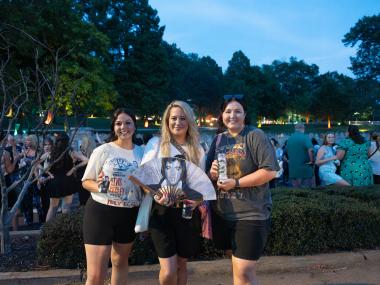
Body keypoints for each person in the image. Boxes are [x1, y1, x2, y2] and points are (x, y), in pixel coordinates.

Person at [206, 95, 278, 285]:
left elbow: (270, 171)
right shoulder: (219, 140)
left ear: (245, 114)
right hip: (223, 214)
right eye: (228, 111)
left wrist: (236, 183)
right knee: (238, 270)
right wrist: (212, 174)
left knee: (244, 273)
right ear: (221, 115)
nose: (232, 115)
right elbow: (208, 176)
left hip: (251, 214)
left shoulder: (255, 136)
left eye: (237, 111)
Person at [142, 100, 205, 285]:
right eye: (173, 118)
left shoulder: (197, 149)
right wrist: (155, 194)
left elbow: (201, 185)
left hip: (186, 213)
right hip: (161, 211)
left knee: (181, 266)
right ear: (167, 121)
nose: (177, 122)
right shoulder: (156, 144)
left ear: (189, 121)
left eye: (182, 118)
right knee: (168, 270)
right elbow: (141, 176)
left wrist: (197, 201)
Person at [81, 108, 144, 285]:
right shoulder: (103, 150)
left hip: (129, 214)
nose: (123, 127)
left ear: (134, 126)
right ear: (113, 127)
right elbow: (86, 181)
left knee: (120, 262)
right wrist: (100, 186)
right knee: (96, 274)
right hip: (101, 212)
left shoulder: (142, 152)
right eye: (118, 123)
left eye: (127, 123)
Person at [45, 133, 88, 222]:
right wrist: (73, 169)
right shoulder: (71, 152)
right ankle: (63, 230)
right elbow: (87, 160)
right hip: (67, 180)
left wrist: (50, 174)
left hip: (54, 181)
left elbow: (41, 165)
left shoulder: (51, 153)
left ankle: (47, 230)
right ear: (67, 142)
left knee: (53, 208)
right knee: (66, 208)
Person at [286, 123, 315, 188]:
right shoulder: (305, 137)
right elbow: (311, 150)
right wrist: (312, 161)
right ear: (303, 129)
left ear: (295, 129)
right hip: (305, 169)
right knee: (307, 192)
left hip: (293, 170)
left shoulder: (289, 139)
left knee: (296, 192)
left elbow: (287, 152)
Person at [76, 134, 96, 206]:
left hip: (81, 178)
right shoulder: (95, 152)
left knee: (83, 200)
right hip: (92, 177)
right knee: (91, 199)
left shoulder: (79, 153)